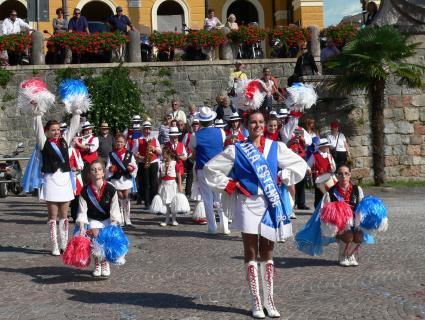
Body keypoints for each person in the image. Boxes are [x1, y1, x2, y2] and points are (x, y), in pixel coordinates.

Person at [203, 110, 307, 318]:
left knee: (268, 251)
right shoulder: (237, 149)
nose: (257, 125)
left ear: (266, 124)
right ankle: (256, 302)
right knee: (251, 251)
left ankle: (269, 300)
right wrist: (231, 185)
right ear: (245, 125)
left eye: (261, 122)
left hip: (270, 203)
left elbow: (300, 165)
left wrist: (282, 176)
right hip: (247, 203)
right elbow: (210, 169)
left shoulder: (276, 147)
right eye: (253, 122)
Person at [295, 163, 370, 267]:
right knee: (348, 235)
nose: (343, 176)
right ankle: (343, 256)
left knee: (359, 236)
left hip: (355, 221)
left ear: (350, 175)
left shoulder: (357, 190)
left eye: (346, 173)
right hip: (339, 225)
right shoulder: (330, 193)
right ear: (337, 176)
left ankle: (350, 255)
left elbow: (362, 206)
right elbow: (325, 211)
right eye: (340, 174)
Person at [33, 109, 81, 255]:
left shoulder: (65, 140)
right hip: (51, 181)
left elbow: (73, 127)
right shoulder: (43, 142)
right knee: (53, 215)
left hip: (65, 180)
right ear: (47, 131)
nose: (56, 132)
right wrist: (37, 113)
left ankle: (64, 244)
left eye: (58, 129)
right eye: (53, 130)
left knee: (64, 215)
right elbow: (38, 129)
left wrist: (76, 112)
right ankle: (55, 245)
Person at [76, 160, 122, 277]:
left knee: (105, 236)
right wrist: (81, 228)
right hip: (93, 219)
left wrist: (113, 225)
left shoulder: (111, 189)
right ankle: (97, 262)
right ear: (89, 174)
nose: (96, 171)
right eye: (93, 169)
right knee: (95, 236)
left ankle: (105, 262)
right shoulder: (85, 191)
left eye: (99, 169)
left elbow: (115, 209)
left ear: (103, 173)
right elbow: (82, 211)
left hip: (108, 219)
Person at [188, 107, 229, 235]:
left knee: (207, 199)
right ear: (212, 120)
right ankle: (225, 227)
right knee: (220, 198)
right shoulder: (221, 132)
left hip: (203, 168)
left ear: (200, 121)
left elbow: (193, 150)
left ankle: (212, 228)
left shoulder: (195, 135)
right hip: (218, 169)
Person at [106, 133, 137, 226]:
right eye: (118, 142)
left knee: (126, 198)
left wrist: (131, 168)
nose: (119, 143)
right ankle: (121, 218)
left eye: (121, 142)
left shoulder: (129, 154)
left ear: (124, 143)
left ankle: (127, 218)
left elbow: (134, 164)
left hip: (126, 179)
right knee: (119, 198)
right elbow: (107, 167)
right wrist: (111, 169)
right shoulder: (111, 154)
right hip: (116, 179)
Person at [132, 121, 162, 209]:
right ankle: (147, 202)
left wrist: (154, 148)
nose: (147, 131)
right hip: (143, 163)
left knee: (154, 183)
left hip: (153, 162)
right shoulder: (138, 140)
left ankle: (154, 202)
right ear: (142, 129)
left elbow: (160, 152)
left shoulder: (154, 139)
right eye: (145, 129)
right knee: (145, 184)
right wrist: (141, 157)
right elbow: (134, 153)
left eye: (149, 129)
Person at [155, 148, 183, 227]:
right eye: (162, 154)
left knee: (172, 202)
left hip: (172, 185)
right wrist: (158, 186)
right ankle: (167, 219)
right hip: (164, 185)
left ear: (168, 154)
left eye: (164, 154)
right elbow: (160, 177)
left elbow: (179, 175)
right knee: (166, 203)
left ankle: (174, 219)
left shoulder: (174, 163)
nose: (163, 155)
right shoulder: (161, 164)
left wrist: (180, 185)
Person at [307, 138, 336, 208]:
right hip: (319, 179)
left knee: (330, 194)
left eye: (327, 146)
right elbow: (308, 164)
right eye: (326, 146)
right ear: (321, 147)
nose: (327, 147)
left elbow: (334, 168)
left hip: (329, 178)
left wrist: (333, 168)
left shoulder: (329, 155)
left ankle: (329, 208)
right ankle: (317, 209)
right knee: (319, 196)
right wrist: (308, 170)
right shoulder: (314, 155)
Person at [164, 127, 187, 191]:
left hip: (179, 169)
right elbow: (163, 157)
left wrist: (179, 157)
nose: (174, 139)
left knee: (179, 187)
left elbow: (185, 157)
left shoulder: (181, 145)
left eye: (175, 137)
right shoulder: (166, 145)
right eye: (172, 137)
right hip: (169, 169)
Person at [182, 119, 200, 197]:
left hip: (198, 158)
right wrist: (187, 154)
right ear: (192, 126)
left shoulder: (200, 134)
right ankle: (188, 192)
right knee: (190, 175)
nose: (195, 126)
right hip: (190, 158)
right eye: (194, 125)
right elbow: (183, 145)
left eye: (197, 125)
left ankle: (198, 193)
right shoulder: (187, 135)